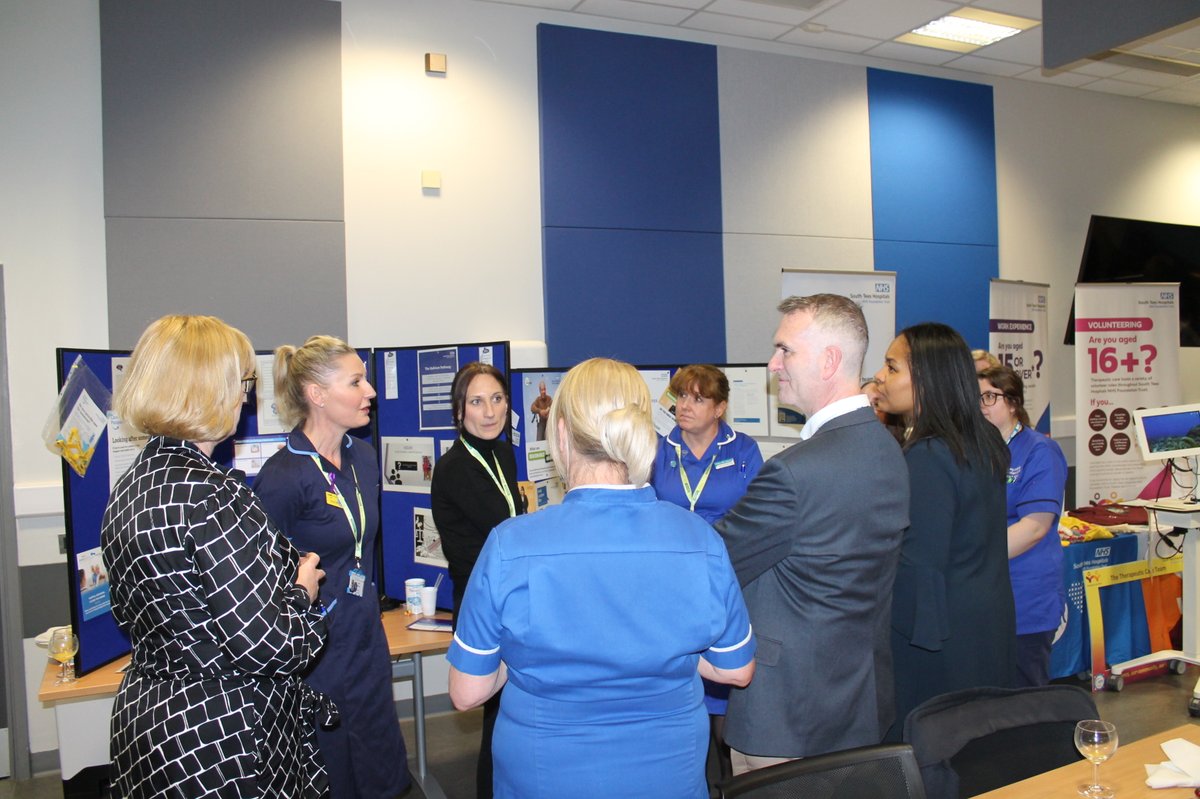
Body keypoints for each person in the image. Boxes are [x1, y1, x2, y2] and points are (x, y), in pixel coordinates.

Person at [447, 357, 756, 799]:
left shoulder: (510, 546)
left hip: (546, 776)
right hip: (667, 776)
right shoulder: (699, 540)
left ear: (560, 433)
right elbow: (736, 669)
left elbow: (466, 692)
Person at [101, 315, 329, 798]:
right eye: (244, 382)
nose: (247, 397)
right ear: (209, 389)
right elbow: (271, 644)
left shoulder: (130, 487)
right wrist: (302, 595)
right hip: (221, 738)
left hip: (149, 723)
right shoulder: (214, 495)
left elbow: (132, 612)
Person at [716, 294, 909, 774]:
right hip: (857, 704)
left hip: (786, 719)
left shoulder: (795, 473)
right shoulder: (889, 452)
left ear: (828, 361)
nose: (772, 364)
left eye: (785, 350)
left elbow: (713, 563)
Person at [253, 335, 410, 798]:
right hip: (315, 652)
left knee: (380, 765)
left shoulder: (362, 457)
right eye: (356, 382)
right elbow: (260, 582)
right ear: (316, 395)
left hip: (365, 635)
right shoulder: (283, 477)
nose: (371, 393)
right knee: (331, 770)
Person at [873, 322, 1016, 739]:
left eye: (892, 367)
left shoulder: (930, 455)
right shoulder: (982, 437)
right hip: (984, 624)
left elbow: (919, 567)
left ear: (927, 378)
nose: (881, 377)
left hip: (938, 640)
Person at [650, 363, 762, 779]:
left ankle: (730, 778)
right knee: (683, 682)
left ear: (720, 408)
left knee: (724, 687)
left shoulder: (743, 450)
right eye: (681, 396)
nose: (685, 405)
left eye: (698, 398)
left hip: (730, 578)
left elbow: (759, 517)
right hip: (673, 585)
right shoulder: (659, 451)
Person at [430, 361, 523, 799]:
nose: (489, 412)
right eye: (477, 402)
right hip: (482, 603)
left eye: (497, 399)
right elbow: (502, 529)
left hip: (515, 598)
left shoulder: (503, 452)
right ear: (459, 412)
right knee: (497, 717)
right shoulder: (453, 468)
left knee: (513, 713)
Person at [979, 365, 1068, 687]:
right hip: (986, 593)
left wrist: (972, 557)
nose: (980, 406)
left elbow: (1034, 528)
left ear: (1013, 403)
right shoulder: (978, 451)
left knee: (1024, 694)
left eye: (989, 397)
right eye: (974, 398)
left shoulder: (1039, 450)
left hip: (1025, 593)